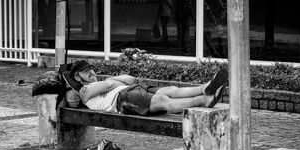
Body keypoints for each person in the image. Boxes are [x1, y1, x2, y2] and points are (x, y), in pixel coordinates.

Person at [63, 60, 228, 116]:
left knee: (170, 90)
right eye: (86, 72)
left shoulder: (100, 82)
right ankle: (203, 100)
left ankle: (205, 88)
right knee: (164, 100)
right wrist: (112, 82)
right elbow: (109, 85)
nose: (91, 73)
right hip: (122, 100)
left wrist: (112, 82)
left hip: (132, 89)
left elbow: (130, 79)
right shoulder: (84, 92)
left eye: (91, 69)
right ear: (77, 77)